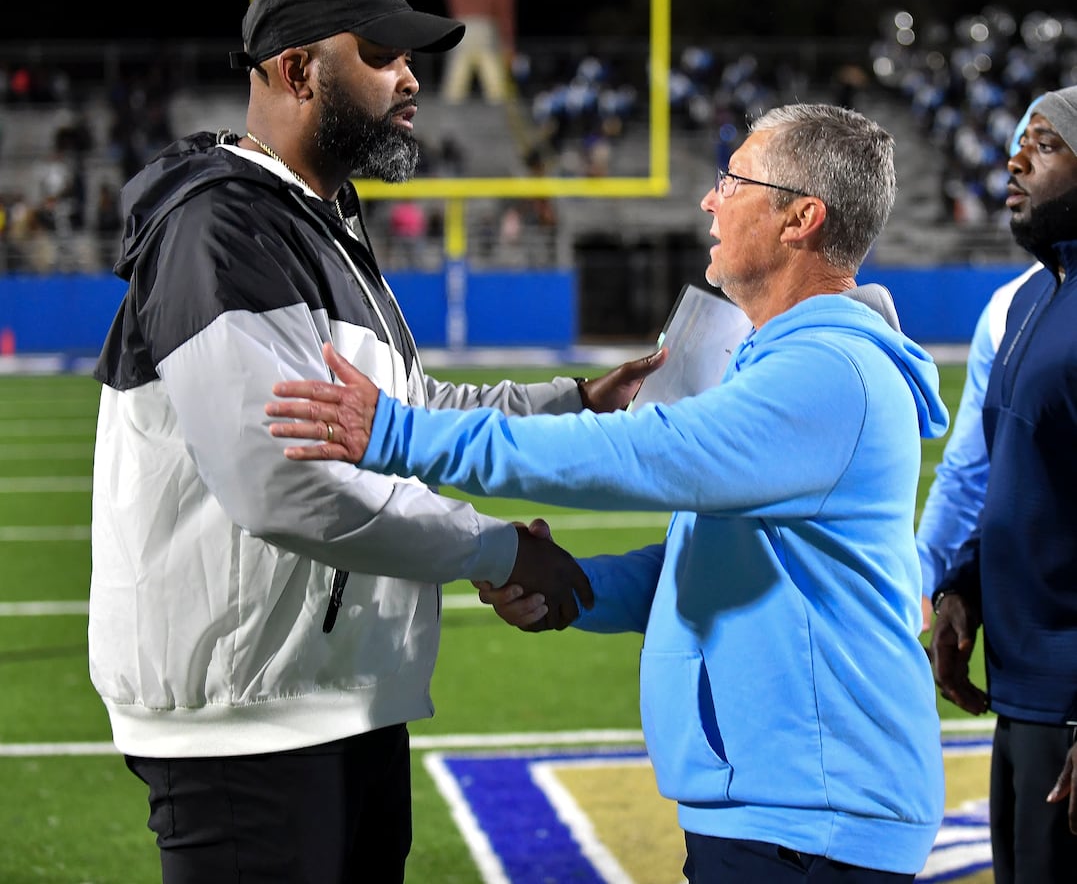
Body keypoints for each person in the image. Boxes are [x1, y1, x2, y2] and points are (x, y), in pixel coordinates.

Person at [88, 0, 664, 884]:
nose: (411, 77)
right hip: (254, 725)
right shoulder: (221, 228)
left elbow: (409, 417)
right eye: (382, 53)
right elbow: (285, 484)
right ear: (296, 70)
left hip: (341, 696)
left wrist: (576, 402)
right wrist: (500, 553)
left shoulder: (316, 221)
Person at [265, 103, 951, 882]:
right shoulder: (798, 361)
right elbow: (721, 566)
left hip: (813, 816)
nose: (709, 199)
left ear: (801, 218)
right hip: (786, 804)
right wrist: (579, 587)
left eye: (733, 180)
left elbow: (639, 457)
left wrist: (399, 436)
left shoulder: (828, 370)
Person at [926, 86, 1077, 884]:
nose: (1013, 158)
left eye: (1046, 144)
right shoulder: (1027, 304)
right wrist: (963, 591)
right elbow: (1021, 487)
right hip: (1022, 696)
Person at [915, 97, 1044, 630]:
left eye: (1044, 147)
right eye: (1016, 149)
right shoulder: (1006, 311)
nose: (1015, 164)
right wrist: (931, 583)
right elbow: (969, 473)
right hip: (1038, 636)